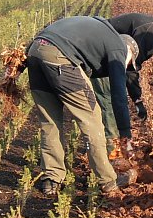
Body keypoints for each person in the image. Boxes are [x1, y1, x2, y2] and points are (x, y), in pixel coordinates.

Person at [24, 15, 139, 197]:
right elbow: (118, 95)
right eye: (129, 63)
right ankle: (108, 182)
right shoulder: (119, 48)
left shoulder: (100, 36)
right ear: (129, 52)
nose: (125, 67)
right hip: (59, 56)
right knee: (92, 120)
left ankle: (51, 179)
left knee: (49, 121)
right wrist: (125, 134)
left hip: (35, 52)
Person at [93, 13, 153, 158]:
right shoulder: (149, 35)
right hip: (101, 57)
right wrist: (136, 99)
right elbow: (129, 69)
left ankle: (113, 148)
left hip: (109, 56)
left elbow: (131, 66)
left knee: (112, 102)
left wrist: (137, 99)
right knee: (109, 102)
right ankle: (113, 152)